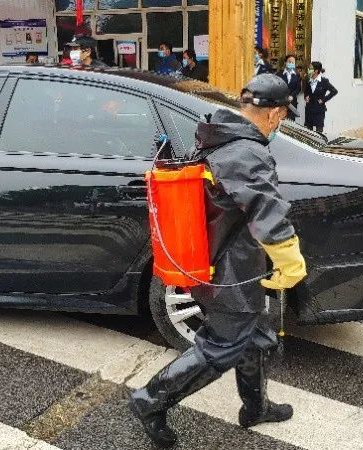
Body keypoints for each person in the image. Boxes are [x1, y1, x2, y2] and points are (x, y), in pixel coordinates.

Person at [129, 73, 307, 448]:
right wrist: (291, 260)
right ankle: (150, 400)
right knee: (219, 348)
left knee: (257, 338)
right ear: (274, 114)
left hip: (234, 263)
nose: (280, 123)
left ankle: (255, 407)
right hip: (230, 272)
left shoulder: (224, 137)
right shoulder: (245, 151)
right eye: (282, 116)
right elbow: (265, 209)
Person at [302, 61, 338, 133]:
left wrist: (323, 100)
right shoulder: (308, 79)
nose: (308, 70)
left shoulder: (324, 81)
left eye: (310, 69)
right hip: (309, 109)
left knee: (319, 131)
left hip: (319, 109)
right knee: (309, 131)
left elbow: (334, 91)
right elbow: (306, 92)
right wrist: (306, 97)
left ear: (316, 71)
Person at [279, 55, 301, 121]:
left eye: (293, 62)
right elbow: (276, 87)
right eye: (289, 62)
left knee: (291, 123)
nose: (291, 63)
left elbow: (298, 88)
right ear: (285, 62)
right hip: (281, 103)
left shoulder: (297, 75)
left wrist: (292, 96)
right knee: (281, 123)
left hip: (292, 103)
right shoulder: (279, 74)